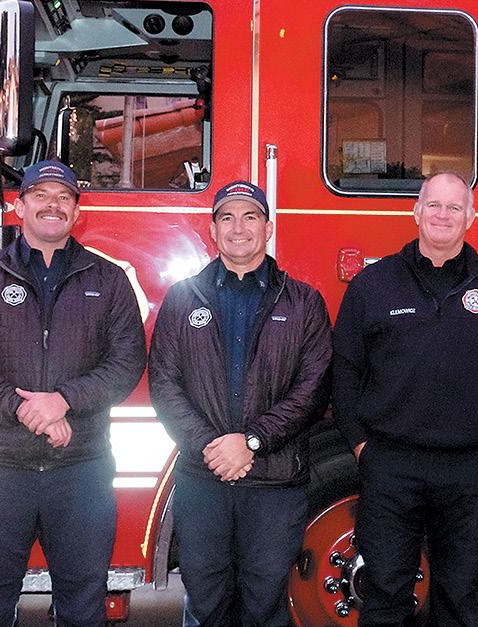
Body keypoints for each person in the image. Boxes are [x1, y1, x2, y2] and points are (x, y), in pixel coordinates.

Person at [0, 159, 146, 627]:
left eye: (64, 197)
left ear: (77, 212)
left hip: (81, 470)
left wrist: (63, 401)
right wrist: (23, 409)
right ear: (20, 207)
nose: (53, 204)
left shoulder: (108, 280)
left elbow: (127, 362)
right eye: (40, 195)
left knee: (83, 608)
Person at [331, 172, 478, 626]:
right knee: (384, 595)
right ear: (416, 212)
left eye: (454, 207)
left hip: (469, 468)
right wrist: (362, 446)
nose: (443, 215)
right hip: (390, 466)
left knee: (462, 598)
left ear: (470, 217)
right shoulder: (374, 284)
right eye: (434, 205)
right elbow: (344, 369)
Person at [148, 179, 332, 627]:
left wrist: (251, 441)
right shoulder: (182, 299)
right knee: (205, 603)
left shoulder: (304, 302)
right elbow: (164, 384)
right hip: (203, 480)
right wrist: (212, 448)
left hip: (274, 484)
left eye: (250, 217)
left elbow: (313, 389)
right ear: (212, 230)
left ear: (268, 228)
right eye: (227, 217)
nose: (238, 228)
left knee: (265, 605)